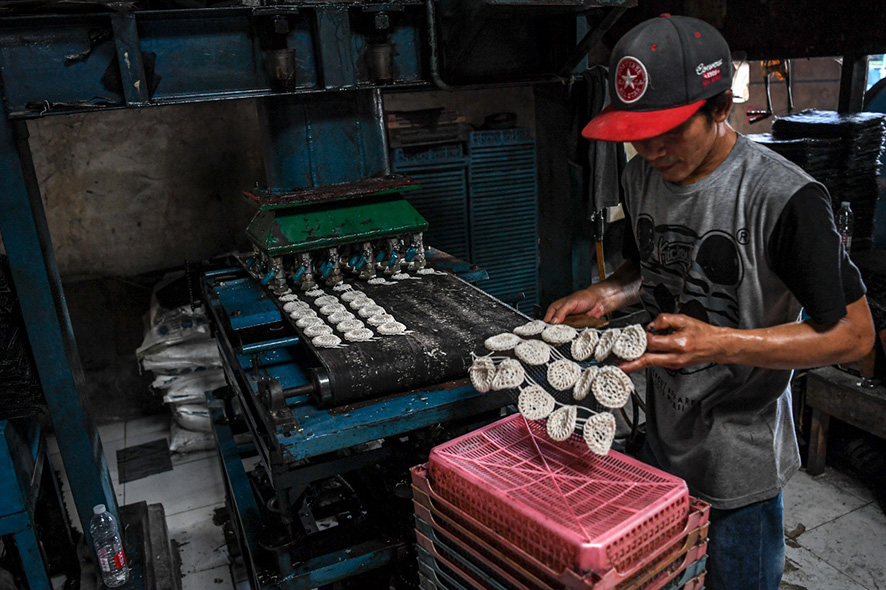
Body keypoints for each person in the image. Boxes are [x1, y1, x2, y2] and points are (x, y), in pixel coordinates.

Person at [544, 14, 875, 590]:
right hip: (663, 432)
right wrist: (606, 291)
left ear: (720, 108)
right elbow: (648, 268)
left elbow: (854, 334)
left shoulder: (783, 198)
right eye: (638, 134)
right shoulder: (642, 176)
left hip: (738, 453)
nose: (650, 149)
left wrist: (720, 342)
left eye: (670, 130)